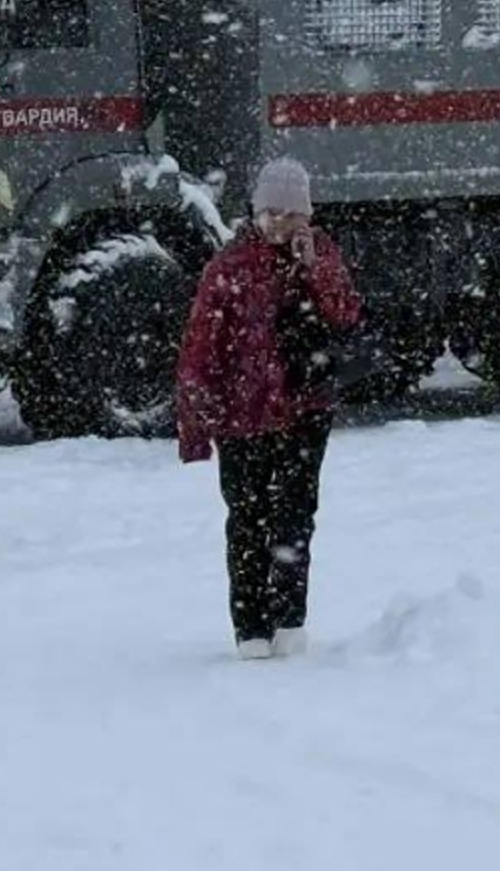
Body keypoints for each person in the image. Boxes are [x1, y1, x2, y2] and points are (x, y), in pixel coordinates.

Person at [176, 157, 361, 660]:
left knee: (296, 517)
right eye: (271, 212)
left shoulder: (319, 257)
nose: (279, 222)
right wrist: (195, 423)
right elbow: (200, 350)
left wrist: (315, 268)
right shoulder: (229, 268)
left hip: (306, 409)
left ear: (307, 215)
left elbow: (346, 314)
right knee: (248, 517)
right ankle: (251, 629)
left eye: (291, 213)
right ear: (255, 211)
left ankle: (290, 621)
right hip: (243, 416)